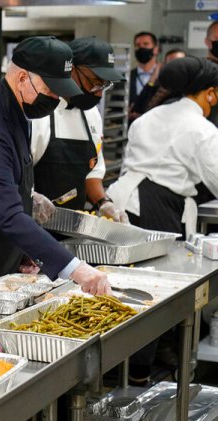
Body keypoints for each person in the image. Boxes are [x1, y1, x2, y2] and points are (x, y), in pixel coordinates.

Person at [0, 36, 111, 312]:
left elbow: (13, 190)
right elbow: (8, 215)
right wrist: (75, 268)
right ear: (23, 78)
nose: (55, 99)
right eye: (51, 90)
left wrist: (25, 250)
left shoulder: (14, 111)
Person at [107, 57, 218, 383]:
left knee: (126, 290)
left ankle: (121, 370)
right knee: (156, 294)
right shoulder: (201, 129)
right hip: (159, 208)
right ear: (209, 93)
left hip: (124, 203)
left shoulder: (148, 117)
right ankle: (140, 375)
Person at [31, 36, 127, 220]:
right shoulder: (38, 113)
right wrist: (31, 199)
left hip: (73, 227)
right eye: (95, 82)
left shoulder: (91, 114)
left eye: (104, 85)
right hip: (31, 225)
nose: (99, 93)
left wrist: (104, 203)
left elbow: (92, 172)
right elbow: (14, 175)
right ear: (71, 69)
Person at [132, 47, 187, 117]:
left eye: (180, 63)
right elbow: (138, 107)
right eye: (172, 63)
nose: (176, 67)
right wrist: (153, 78)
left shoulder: (189, 89)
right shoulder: (158, 86)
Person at [128, 31, 160, 122]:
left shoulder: (164, 76)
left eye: (146, 44)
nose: (141, 48)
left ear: (156, 49)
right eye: (138, 45)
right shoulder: (126, 77)